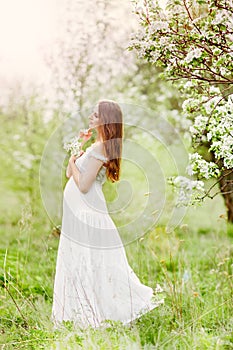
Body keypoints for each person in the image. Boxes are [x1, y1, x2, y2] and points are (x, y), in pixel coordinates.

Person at [51, 99, 164, 329]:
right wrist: (77, 150)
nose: (91, 117)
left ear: (105, 120)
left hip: (86, 213)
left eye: (95, 115)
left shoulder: (100, 149)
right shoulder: (96, 145)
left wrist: (73, 162)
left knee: (90, 262)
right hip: (78, 213)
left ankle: (94, 314)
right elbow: (68, 173)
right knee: (79, 261)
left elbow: (82, 185)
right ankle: (78, 314)